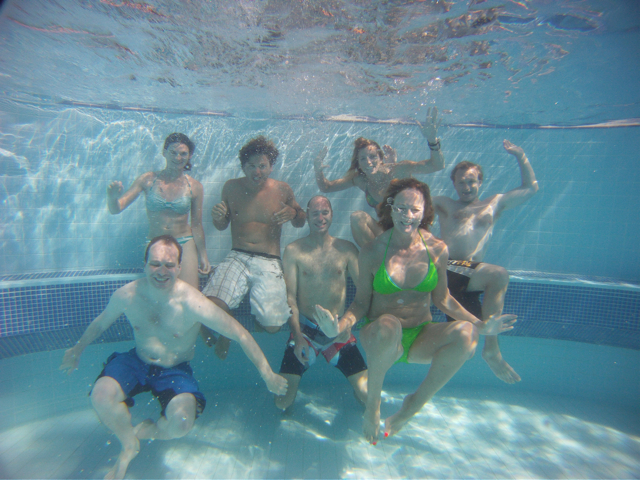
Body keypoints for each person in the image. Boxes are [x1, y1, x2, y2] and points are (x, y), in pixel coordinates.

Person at [59, 235, 287, 480]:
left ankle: (151, 431)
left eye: (169, 265)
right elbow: (100, 323)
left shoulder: (192, 302)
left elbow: (240, 334)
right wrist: (77, 350)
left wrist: (267, 374)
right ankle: (129, 444)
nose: (161, 271)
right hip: (136, 361)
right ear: (145, 265)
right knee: (101, 396)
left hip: (174, 369)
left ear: (179, 268)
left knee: (181, 424)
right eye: (155, 264)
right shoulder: (128, 295)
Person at [313, 178, 516, 444]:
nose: (407, 215)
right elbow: (361, 303)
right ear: (391, 208)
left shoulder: (437, 249)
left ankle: (412, 406)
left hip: (420, 337)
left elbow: (443, 299)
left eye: (414, 209)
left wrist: (479, 324)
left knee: (467, 335)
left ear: (424, 212)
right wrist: (339, 327)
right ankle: (373, 407)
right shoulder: (373, 251)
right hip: (382, 338)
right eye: (401, 208)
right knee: (389, 325)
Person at [432, 140, 538, 384]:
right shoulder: (445, 204)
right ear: (454, 184)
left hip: (469, 279)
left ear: (480, 182)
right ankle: (492, 349)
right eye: (461, 182)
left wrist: (520, 155)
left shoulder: (493, 204)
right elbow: (412, 198)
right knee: (498, 274)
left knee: (466, 343)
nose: (467, 187)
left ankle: (487, 349)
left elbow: (531, 188)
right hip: (448, 269)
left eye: (471, 181)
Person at [203, 136, 306, 359]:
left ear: (271, 167)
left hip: (269, 259)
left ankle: (248, 317)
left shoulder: (282, 190)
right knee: (211, 305)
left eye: (262, 166)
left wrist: (294, 213)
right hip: (237, 256)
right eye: (251, 166)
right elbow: (222, 225)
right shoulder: (231, 187)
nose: (257, 172)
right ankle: (228, 332)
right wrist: (217, 217)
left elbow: (301, 220)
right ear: (243, 167)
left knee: (273, 326)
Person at [274, 196, 368, 411]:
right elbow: (290, 298)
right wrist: (298, 337)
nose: (320, 218)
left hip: (339, 332)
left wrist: (347, 325)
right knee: (282, 402)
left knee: (367, 395)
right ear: (307, 216)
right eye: (315, 213)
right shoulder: (294, 250)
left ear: (332, 215)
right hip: (306, 333)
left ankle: (359, 396)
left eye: (325, 212)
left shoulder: (346, 249)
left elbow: (364, 295)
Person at [313, 107, 445, 248]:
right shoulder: (361, 180)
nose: (368, 162)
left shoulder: (398, 170)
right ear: (358, 163)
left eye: (372, 156)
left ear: (381, 158)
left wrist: (432, 141)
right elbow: (326, 187)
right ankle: (374, 258)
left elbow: (436, 165)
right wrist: (317, 170)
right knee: (357, 217)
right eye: (363, 159)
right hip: (387, 233)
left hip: (409, 232)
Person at [107, 133, 211, 289]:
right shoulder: (147, 180)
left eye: (183, 153)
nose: (178, 157)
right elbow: (117, 208)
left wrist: (203, 255)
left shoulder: (195, 187)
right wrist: (112, 198)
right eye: (173, 152)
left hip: (184, 241)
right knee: (158, 293)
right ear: (164, 152)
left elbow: (196, 225)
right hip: (155, 243)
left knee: (189, 293)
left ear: (189, 156)